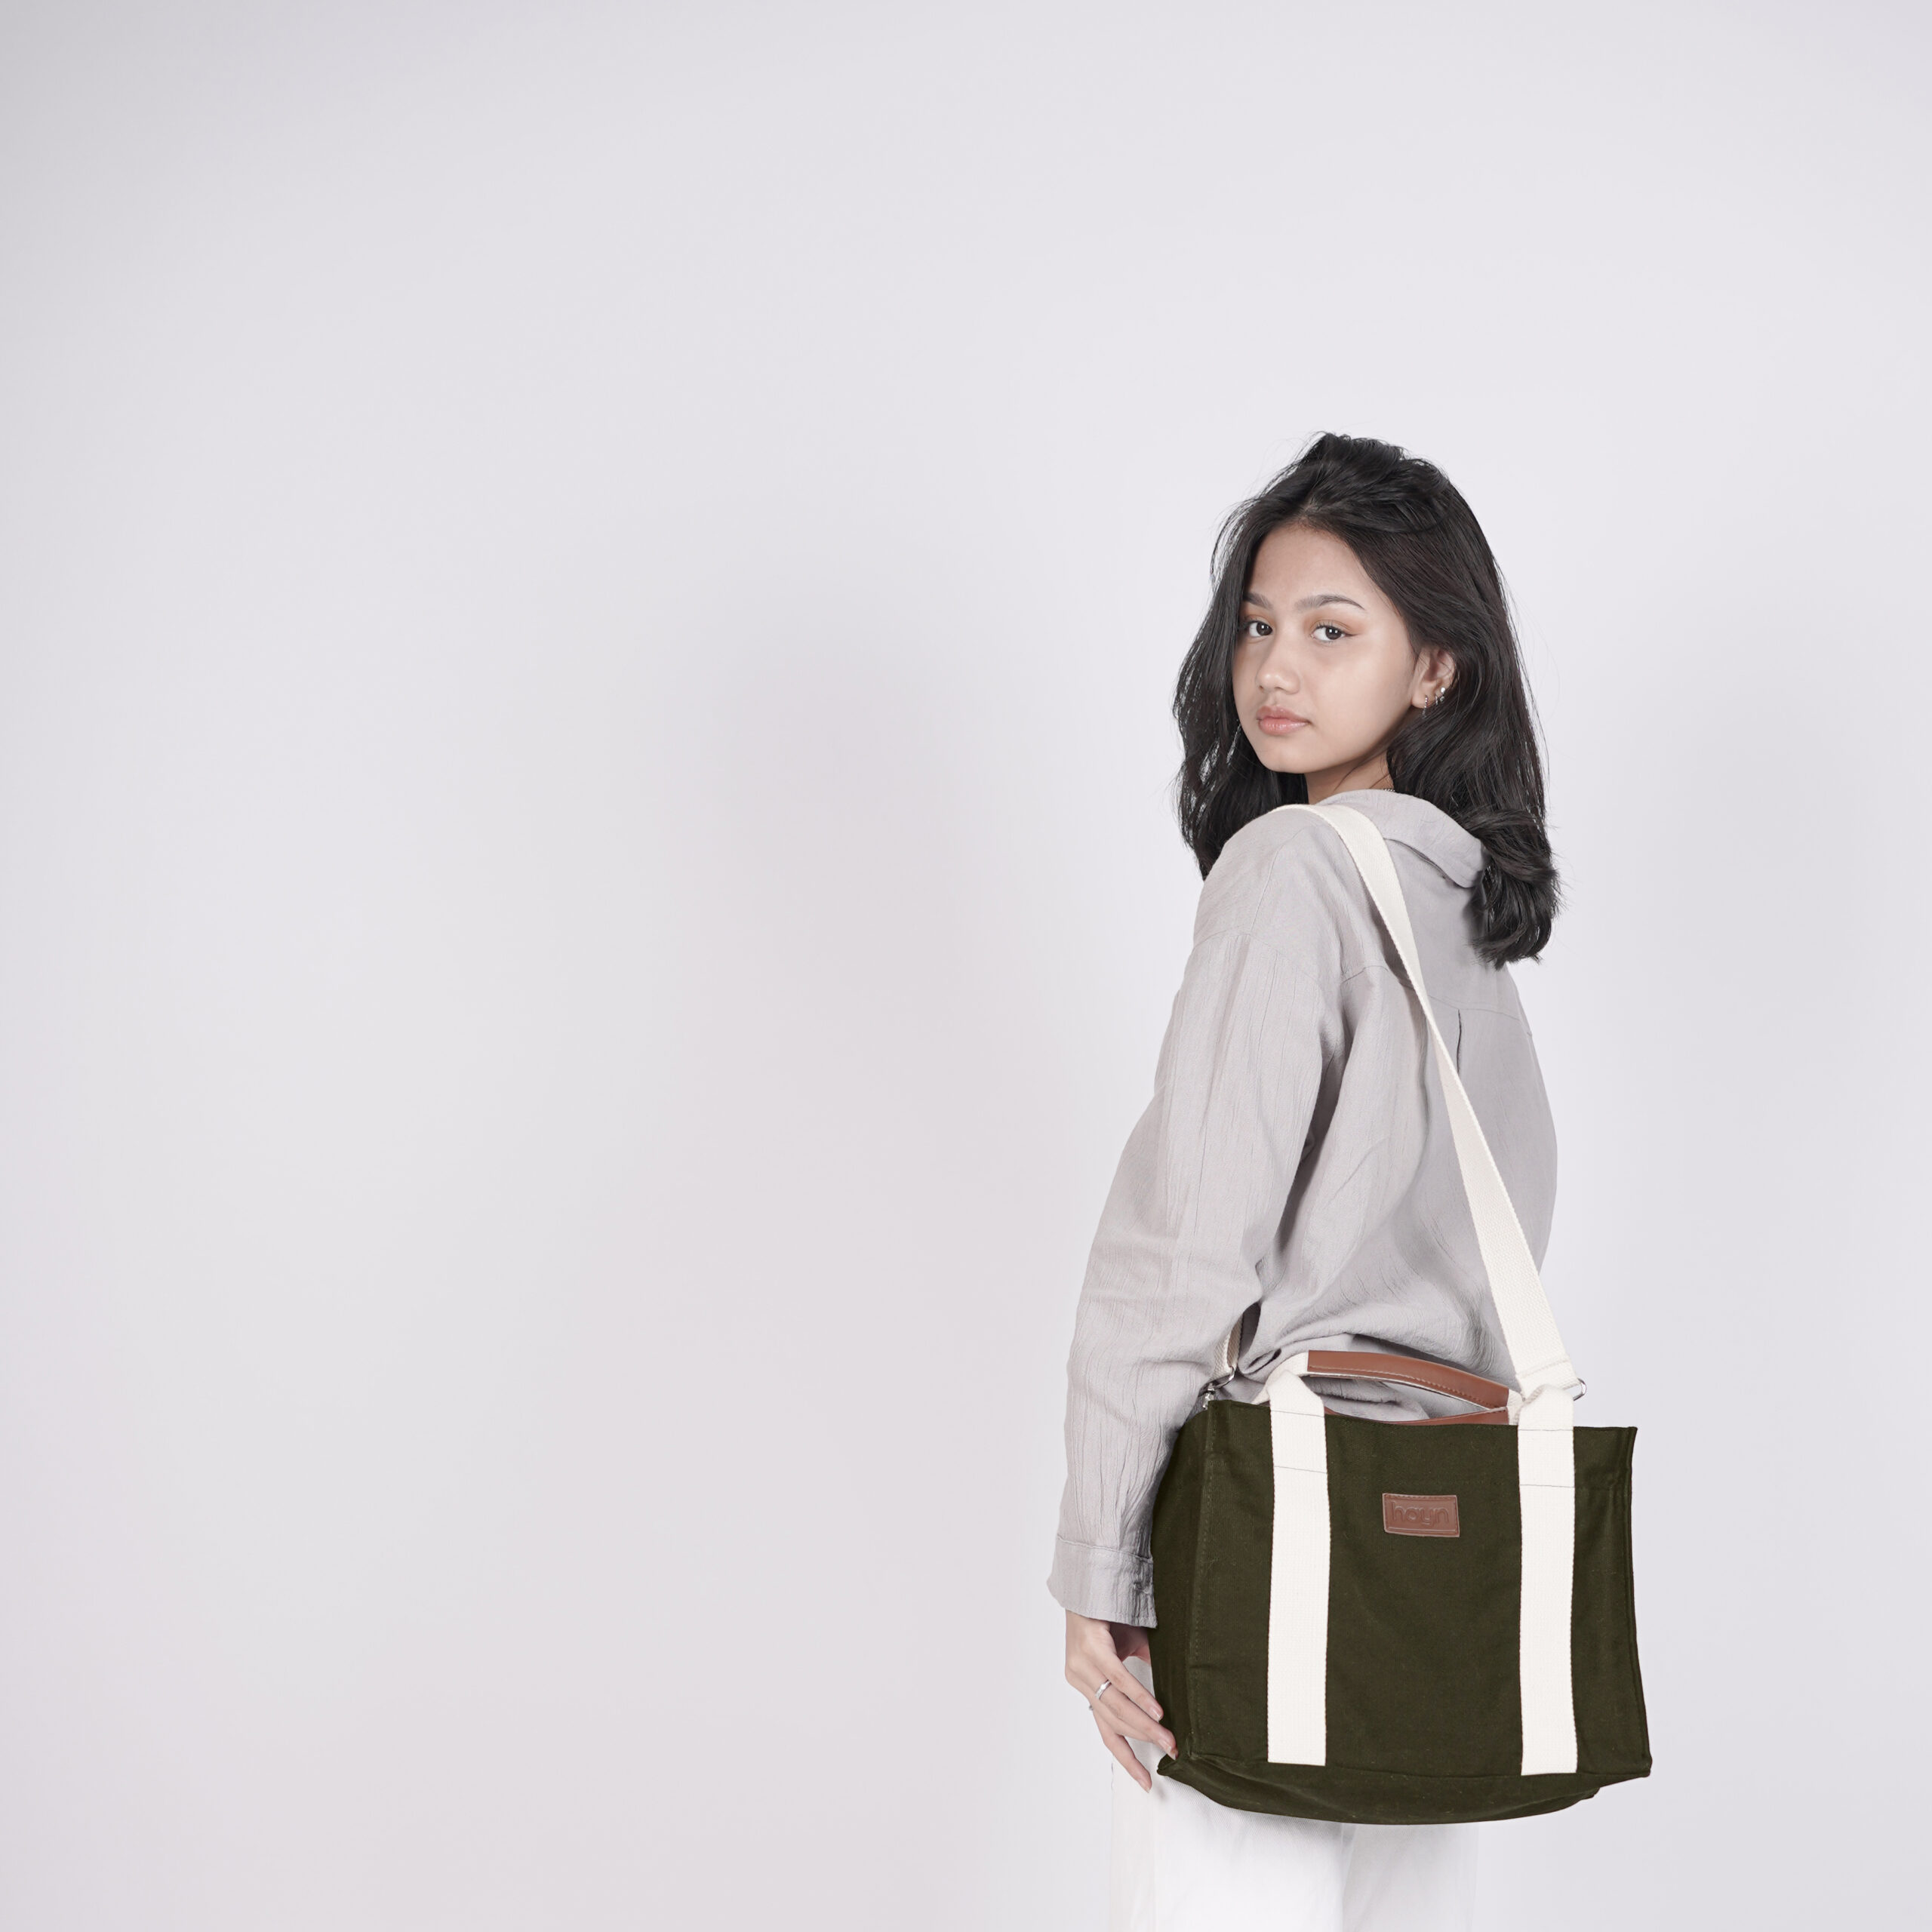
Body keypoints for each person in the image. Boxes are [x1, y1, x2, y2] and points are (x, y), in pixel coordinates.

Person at [1050, 433, 1562, 1931]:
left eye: (1333, 630)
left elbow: (1180, 1252)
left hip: (1270, 1533)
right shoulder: (1463, 908)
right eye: (1259, 624)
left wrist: (1100, 1560)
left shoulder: (1290, 870)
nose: (1275, 667)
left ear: (1433, 668)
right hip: (1448, 1564)